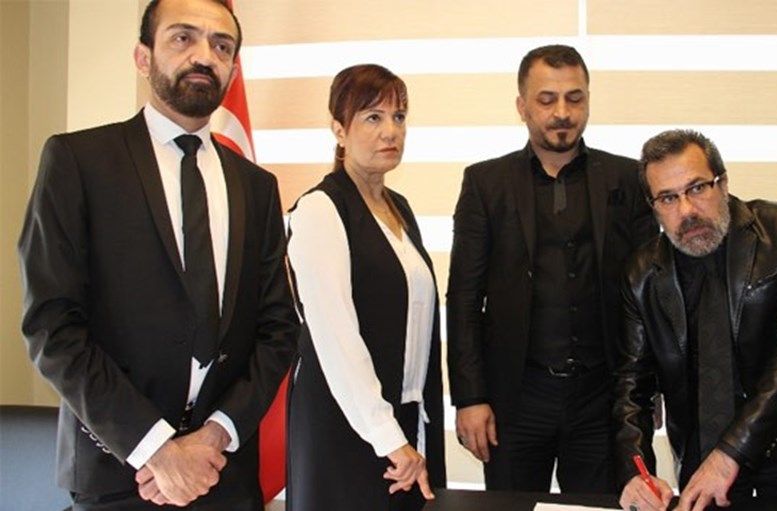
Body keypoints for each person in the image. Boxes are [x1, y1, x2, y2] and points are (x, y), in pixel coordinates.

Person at [17, 0, 299, 509]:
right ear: (143, 57)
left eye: (221, 46)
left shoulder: (256, 187)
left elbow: (278, 330)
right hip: (119, 473)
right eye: (182, 38)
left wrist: (215, 436)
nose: (204, 55)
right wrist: (157, 451)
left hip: (224, 473)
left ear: (233, 69)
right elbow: (52, 326)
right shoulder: (77, 162)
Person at [446, 44, 658, 492]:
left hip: (602, 398)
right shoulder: (486, 183)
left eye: (574, 98)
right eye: (547, 100)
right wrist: (470, 397)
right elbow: (464, 297)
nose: (562, 112)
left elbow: (649, 294)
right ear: (522, 106)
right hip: (515, 400)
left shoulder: (627, 179)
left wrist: (648, 389)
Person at [614, 129, 777, 511]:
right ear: (654, 207)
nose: (687, 211)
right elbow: (632, 383)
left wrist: (730, 454)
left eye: (697, 188)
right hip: (702, 453)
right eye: (669, 198)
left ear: (723, 183)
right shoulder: (641, 273)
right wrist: (636, 470)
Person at [285, 64, 446, 511]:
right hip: (346, 425)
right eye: (373, 117)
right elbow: (337, 338)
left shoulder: (400, 208)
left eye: (399, 117)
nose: (390, 131)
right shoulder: (320, 209)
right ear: (339, 130)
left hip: (403, 418)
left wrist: (409, 429)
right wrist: (387, 436)